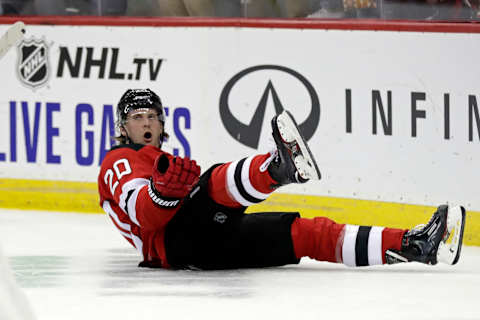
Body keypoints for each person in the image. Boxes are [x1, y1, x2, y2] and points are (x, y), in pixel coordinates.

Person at [98, 88, 466, 270]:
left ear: (163, 124)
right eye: (137, 117)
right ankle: (277, 169)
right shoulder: (118, 160)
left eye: (152, 116)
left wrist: (167, 192)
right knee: (213, 183)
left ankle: (417, 245)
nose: (146, 123)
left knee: (304, 233)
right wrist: (162, 197)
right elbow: (145, 214)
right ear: (122, 126)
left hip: (206, 251)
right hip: (173, 245)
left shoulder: (165, 162)